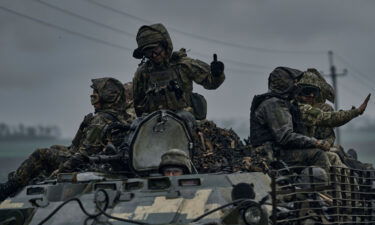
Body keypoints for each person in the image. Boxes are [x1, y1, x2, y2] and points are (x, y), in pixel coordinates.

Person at [0, 77, 131, 202]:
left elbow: (83, 155)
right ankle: (22, 177)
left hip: (89, 163)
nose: (93, 102)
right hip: (98, 159)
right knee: (55, 148)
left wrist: (60, 172)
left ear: (107, 98)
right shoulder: (122, 117)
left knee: (41, 154)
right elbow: (75, 146)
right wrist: (82, 128)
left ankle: (10, 186)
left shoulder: (100, 120)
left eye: (95, 97)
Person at [132, 23, 225, 120]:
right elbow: (138, 104)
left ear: (164, 45)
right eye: (148, 52)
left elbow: (210, 83)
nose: (154, 55)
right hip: (154, 122)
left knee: (185, 117)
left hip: (184, 121)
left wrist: (217, 75)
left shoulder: (183, 65)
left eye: (156, 49)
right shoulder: (142, 73)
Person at [250, 67, 332, 168]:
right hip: (270, 155)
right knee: (318, 155)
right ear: (285, 84)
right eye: (294, 82)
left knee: (331, 156)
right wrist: (315, 142)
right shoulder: (273, 104)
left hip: (280, 151)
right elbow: (286, 137)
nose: (296, 85)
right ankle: (326, 184)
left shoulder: (283, 103)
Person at [296, 70, 370, 167]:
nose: (312, 96)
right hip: (303, 150)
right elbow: (328, 118)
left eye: (314, 92)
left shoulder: (301, 107)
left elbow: (328, 134)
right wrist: (356, 112)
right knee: (334, 157)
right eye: (307, 92)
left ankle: (359, 168)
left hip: (309, 146)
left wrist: (326, 143)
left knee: (339, 151)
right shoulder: (299, 108)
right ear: (298, 92)